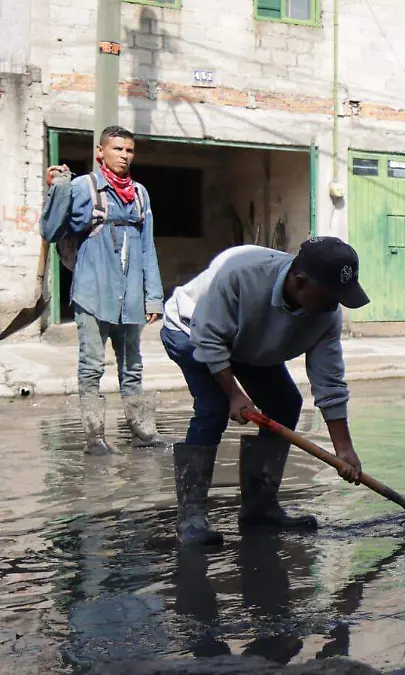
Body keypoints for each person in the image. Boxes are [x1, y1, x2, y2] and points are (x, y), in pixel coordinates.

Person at [160, 237, 368, 546]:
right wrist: (234, 393)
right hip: (192, 330)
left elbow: (329, 382)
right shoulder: (242, 276)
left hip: (245, 340)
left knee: (284, 403)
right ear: (300, 282)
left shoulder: (326, 314)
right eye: (329, 296)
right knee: (213, 406)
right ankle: (190, 517)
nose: (334, 305)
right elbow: (209, 339)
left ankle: (260, 507)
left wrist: (344, 448)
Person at [40, 125, 167, 455]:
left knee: (133, 367)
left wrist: (153, 295)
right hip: (93, 294)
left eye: (129, 151)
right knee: (92, 366)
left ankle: (142, 431)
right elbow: (51, 229)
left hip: (131, 299)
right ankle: (95, 438)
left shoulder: (140, 194)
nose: (124, 156)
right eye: (117, 149)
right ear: (101, 152)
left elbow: (147, 248)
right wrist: (59, 190)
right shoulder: (84, 187)